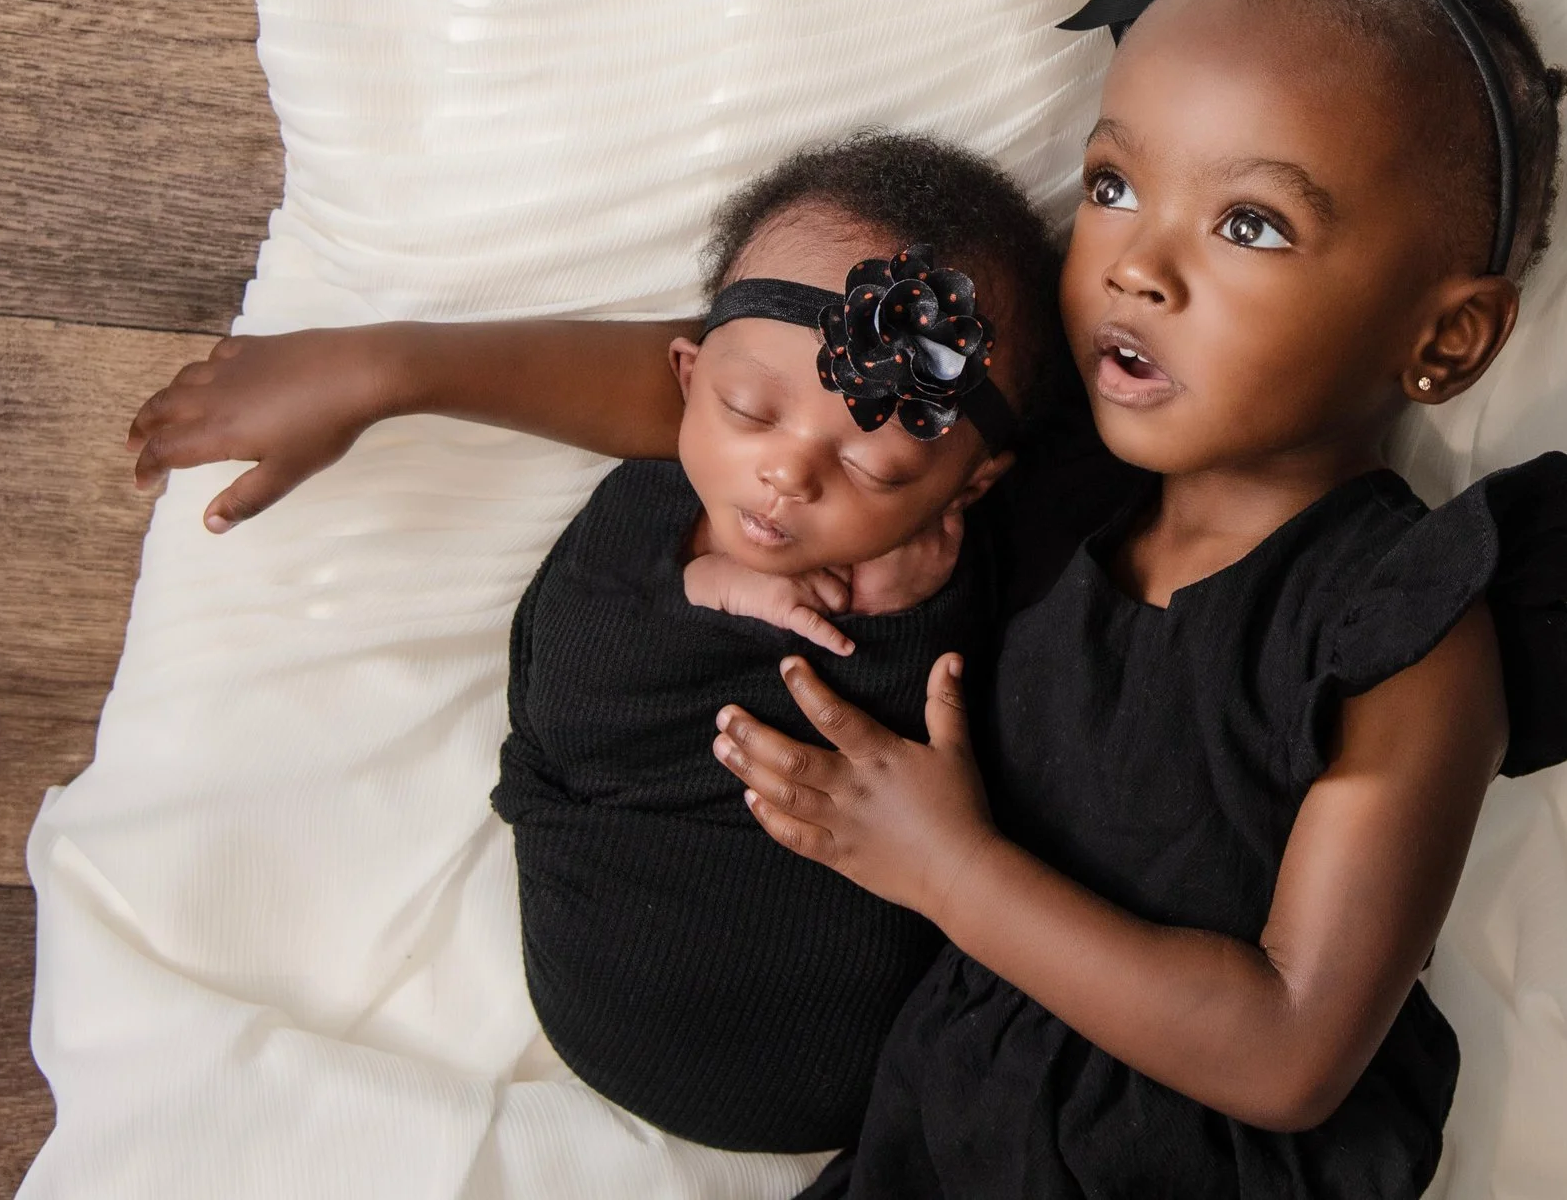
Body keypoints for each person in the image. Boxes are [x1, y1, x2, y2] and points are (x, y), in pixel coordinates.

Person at [706, 0, 1567, 1198]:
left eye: (1250, 223)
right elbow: (761, 362)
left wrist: (945, 867)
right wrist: (393, 370)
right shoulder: (1059, 500)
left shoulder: (1400, 628)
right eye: (1112, 185)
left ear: (1445, 338)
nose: (1136, 263)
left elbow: (1291, 1049)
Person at [128, 132, 1072, 1154]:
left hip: (881, 1038)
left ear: (970, 484)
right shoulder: (642, 521)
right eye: (748, 411)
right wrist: (705, 589)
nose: (786, 477)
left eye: (879, 469)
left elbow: (947, 739)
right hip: (617, 958)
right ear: (685, 373)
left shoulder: (953, 568)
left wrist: (909, 617)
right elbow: (564, 704)